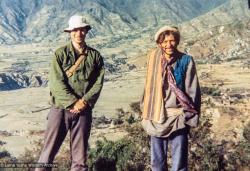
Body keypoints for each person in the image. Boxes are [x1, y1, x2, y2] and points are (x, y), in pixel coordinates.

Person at [35, 15, 105, 171]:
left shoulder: (95, 56)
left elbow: (98, 82)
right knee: (48, 153)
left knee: (80, 158)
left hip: (84, 110)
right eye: (75, 30)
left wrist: (84, 102)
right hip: (60, 109)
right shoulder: (60, 54)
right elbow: (56, 83)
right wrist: (74, 102)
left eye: (82, 30)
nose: (78, 33)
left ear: (86, 31)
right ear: (70, 32)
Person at [141, 26, 201, 171]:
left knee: (179, 163)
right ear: (160, 43)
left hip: (178, 118)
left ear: (177, 41)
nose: (169, 45)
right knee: (157, 163)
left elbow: (193, 91)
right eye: (165, 41)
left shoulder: (186, 61)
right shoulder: (154, 60)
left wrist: (188, 116)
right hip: (157, 116)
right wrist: (145, 111)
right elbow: (148, 89)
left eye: (172, 40)